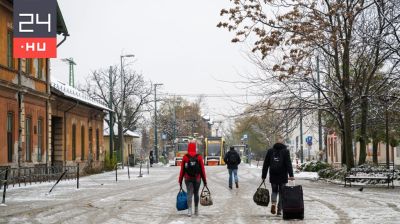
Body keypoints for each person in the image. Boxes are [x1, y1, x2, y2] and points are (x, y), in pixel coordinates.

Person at [261, 137, 294, 216]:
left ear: (275, 143)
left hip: (273, 175)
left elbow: (266, 164)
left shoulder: (270, 151)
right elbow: (288, 164)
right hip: (283, 176)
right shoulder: (286, 151)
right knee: (282, 193)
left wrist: (264, 175)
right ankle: (279, 210)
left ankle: (273, 204)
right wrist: (291, 175)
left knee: (274, 191)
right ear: (282, 143)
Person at [178, 142, 207, 217]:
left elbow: (182, 170)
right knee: (196, 193)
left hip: (188, 178)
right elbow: (202, 170)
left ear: (188, 148)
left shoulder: (185, 157)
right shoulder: (199, 157)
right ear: (195, 148)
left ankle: (189, 211)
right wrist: (204, 180)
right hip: (197, 178)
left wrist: (180, 180)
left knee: (189, 194)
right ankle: (196, 210)